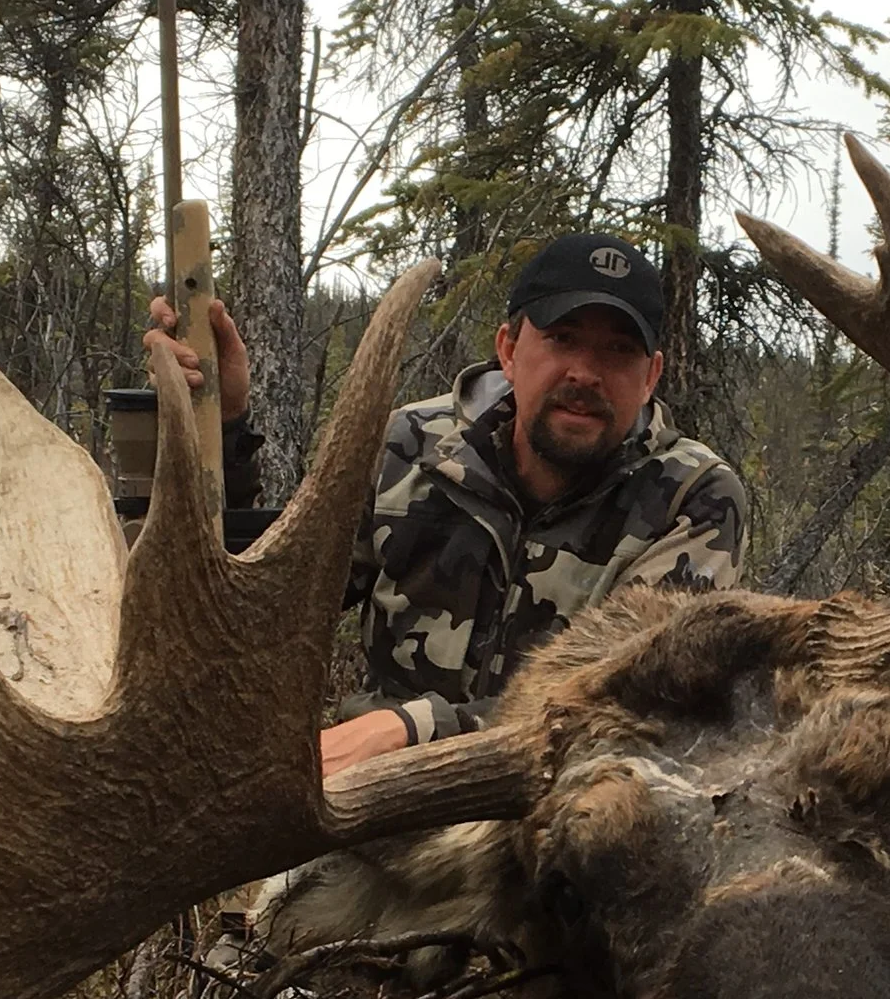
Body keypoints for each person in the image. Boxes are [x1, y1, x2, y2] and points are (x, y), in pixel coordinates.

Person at [148, 233, 746, 776]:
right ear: (509, 349)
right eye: (562, 339)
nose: (586, 373)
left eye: (618, 351)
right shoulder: (407, 446)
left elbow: (629, 704)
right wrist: (221, 428)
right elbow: (264, 606)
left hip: (555, 815)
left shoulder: (694, 500)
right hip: (372, 804)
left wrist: (412, 730)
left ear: (651, 377)